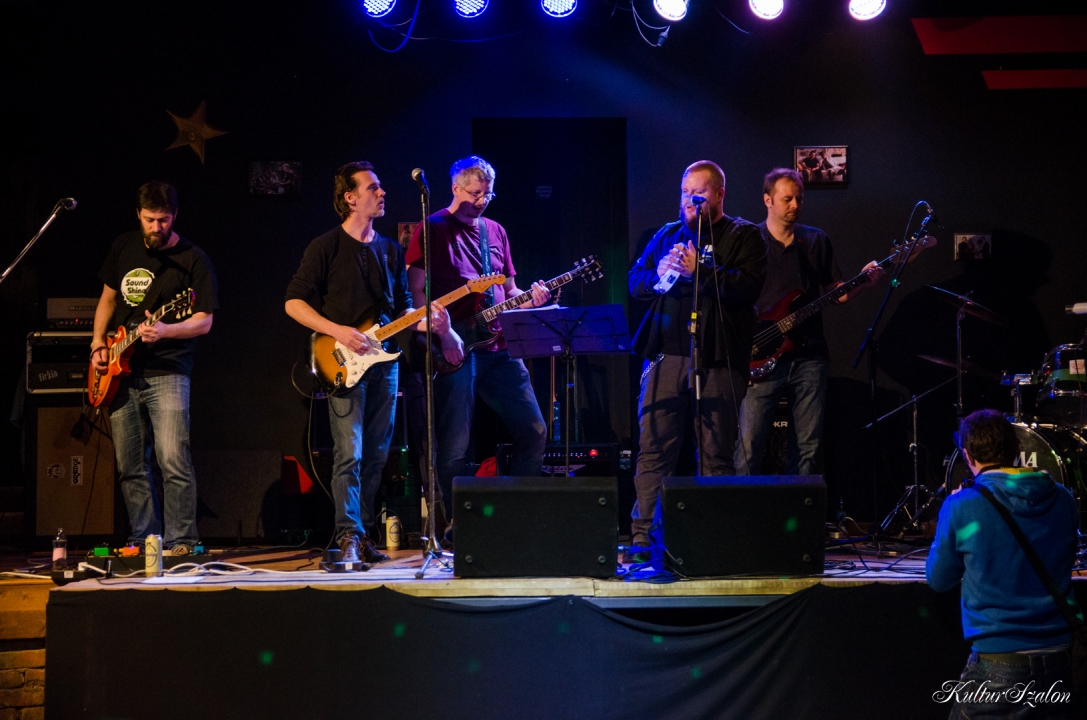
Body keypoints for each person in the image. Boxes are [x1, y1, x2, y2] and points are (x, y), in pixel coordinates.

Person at [286, 161, 447, 565]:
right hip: (342, 363)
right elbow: (293, 302)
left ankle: (362, 532)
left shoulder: (390, 250)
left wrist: (427, 320)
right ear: (350, 198)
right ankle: (347, 535)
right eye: (373, 188)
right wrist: (337, 331)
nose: (382, 193)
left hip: (384, 364)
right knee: (350, 453)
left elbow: (403, 308)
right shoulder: (325, 246)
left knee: (377, 454)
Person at [627, 160, 768, 560]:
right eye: (685, 193)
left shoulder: (745, 236)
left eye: (698, 194)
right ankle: (643, 539)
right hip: (665, 358)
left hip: (718, 360)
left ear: (719, 195)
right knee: (654, 450)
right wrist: (659, 273)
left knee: (714, 453)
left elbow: (748, 287)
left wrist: (699, 270)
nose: (690, 201)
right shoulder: (667, 234)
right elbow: (635, 281)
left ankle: (711, 538)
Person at [405, 155, 550, 531]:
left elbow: (510, 291)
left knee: (534, 430)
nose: (482, 201)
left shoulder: (495, 231)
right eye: (475, 194)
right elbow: (415, 293)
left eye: (488, 194)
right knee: (455, 443)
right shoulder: (433, 228)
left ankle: (519, 519)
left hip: (499, 347)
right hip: (453, 346)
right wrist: (440, 333)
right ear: (456, 188)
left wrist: (532, 298)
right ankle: (458, 524)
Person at [90, 181, 218, 555]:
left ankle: (182, 541)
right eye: (149, 219)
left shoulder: (194, 260)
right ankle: (144, 540)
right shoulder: (123, 246)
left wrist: (166, 330)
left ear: (174, 216)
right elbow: (107, 299)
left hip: (169, 369)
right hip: (120, 372)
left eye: (163, 220)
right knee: (130, 465)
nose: (156, 227)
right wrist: (98, 343)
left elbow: (204, 321)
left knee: (173, 459)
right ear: (138, 215)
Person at [927, 409, 1079, 719]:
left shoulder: (962, 505)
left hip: (999, 663)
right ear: (1015, 449)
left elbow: (938, 579)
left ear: (967, 455)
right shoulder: (1064, 499)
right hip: (1060, 664)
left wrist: (951, 518)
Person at [734, 168, 883, 476]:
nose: (795, 205)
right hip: (761, 353)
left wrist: (863, 282)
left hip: (809, 356)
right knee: (749, 444)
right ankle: (743, 505)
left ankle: (801, 506)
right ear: (768, 200)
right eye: (787, 199)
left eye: (799, 199)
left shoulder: (815, 240)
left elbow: (837, 293)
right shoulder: (750, 240)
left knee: (808, 447)